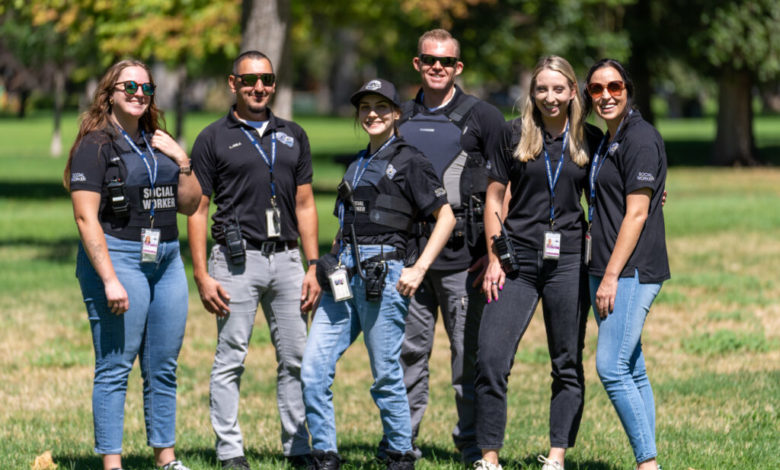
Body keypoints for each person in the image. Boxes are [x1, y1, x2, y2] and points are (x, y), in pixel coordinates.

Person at [301, 79, 456, 470]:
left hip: (384, 274)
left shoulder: (411, 161)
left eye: (381, 106)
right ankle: (325, 453)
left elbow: (446, 218)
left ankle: (400, 454)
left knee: (385, 372)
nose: (372, 113)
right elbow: (345, 224)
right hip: (344, 275)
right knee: (313, 369)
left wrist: (418, 268)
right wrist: (329, 261)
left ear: (396, 114)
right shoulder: (356, 163)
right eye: (365, 107)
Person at [65, 59, 202, 470]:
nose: (139, 94)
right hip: (119, 256)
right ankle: (112, 463)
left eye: (146, 88)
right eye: (130, 87)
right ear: (110, 93)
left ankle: (166, 459)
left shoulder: (157, 140)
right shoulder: (94, 145)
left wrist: (182, 160)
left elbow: (191, 203)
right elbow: (85, 216)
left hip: (166, 258)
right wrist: (109, 279)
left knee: (163, 365)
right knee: (115, 365)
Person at [378, 28, 506, 464]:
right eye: (429, 59)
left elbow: (503, 185)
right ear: (417, 63)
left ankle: (470, 443)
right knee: (408, 355)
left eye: (446, 61)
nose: (437, 67)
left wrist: (493, 251)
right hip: (407, 258)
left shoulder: (483, 116)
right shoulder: (398, 115)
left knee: (465, 360)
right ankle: (402, 442)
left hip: (463, 261)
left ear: (458, 67)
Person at [187, 50, 319, 470]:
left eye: (266, 79)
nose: (258, 87)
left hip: (287, 261)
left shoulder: (293, 134)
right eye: (249, 80)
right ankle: (230, 452)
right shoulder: (212, 137)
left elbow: (305, 203)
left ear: (274, 83)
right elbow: (197, 209)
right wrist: (202, 274)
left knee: (297, 359)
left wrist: (314, 265)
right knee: (231, 358)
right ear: (233, 84)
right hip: (235, 261)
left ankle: (298, 447)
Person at [474, 56, 602, 470]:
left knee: (566, 361)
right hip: (517, 260)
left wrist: (657, 194)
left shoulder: (589, 138)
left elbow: (618, 187)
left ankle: (557, 456)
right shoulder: (513, 134)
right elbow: (493, 199)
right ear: (532, 92)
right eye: (542, 89)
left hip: (567, 260)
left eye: (558, 89)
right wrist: (494, 256)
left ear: (572, 92)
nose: (550, 97)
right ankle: (489, 458)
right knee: (491, 357)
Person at [583, 58, 670, 470]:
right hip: (604, 266)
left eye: (614, 87)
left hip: (631, 270)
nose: (606, 96)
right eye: (597, 89)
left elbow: (636, 214)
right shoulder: (606, 140)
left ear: (627, 89)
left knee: (611, 366)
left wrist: (611, 277)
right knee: (632, 366)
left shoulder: (640, 138)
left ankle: (646, 465)